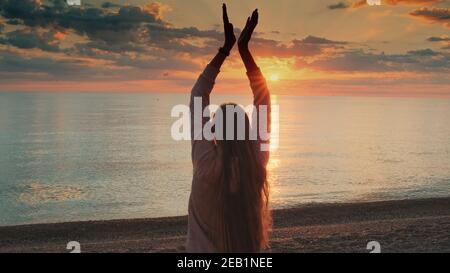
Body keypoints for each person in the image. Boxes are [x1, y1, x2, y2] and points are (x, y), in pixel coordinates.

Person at [187, 4, 271, 253]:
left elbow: (198, 95)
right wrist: (245, 51)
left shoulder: (205, 164)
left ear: (215, 131)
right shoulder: (256, 162)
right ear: (247, 130)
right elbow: (263, 100)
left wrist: (226, 48)